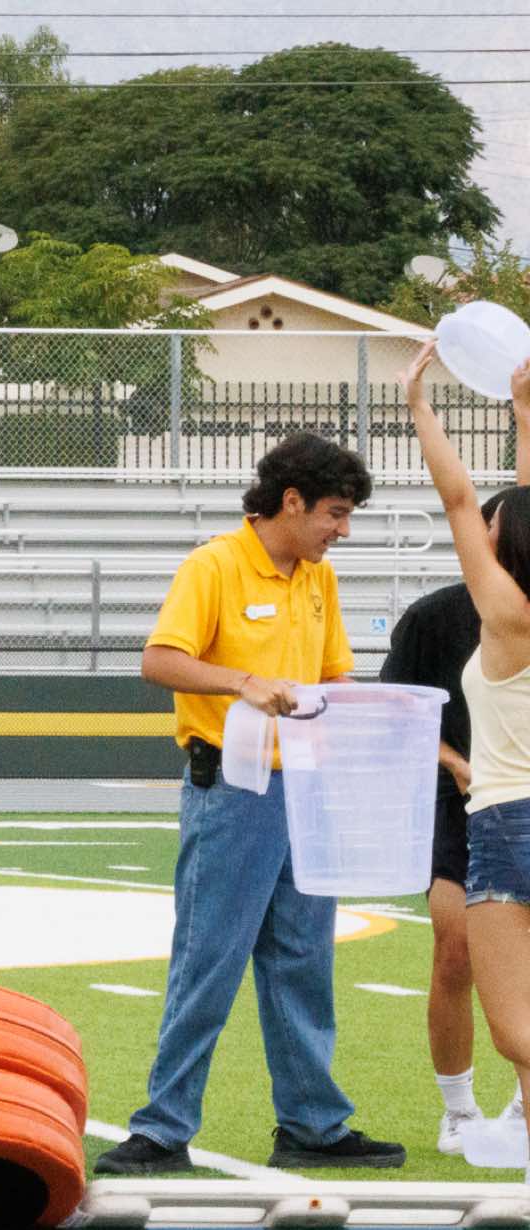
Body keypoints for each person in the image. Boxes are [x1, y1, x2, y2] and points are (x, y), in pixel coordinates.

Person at [95, 433, 406, 1175]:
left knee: (304, 960)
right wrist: (241, 682)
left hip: (308, 786)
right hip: (235, 790)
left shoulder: (318, 577)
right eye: (336, 513)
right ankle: (163, 1128)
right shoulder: (215, 565)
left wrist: (383, 715)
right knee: (209, 959)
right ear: (291, 501)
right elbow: (158, 660)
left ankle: (313, 1124)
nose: (343, 530)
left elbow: (333, 675)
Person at [402, 344, 530, 1167]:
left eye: (493, 525)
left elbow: (456, 496)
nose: (480, 525)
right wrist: (524, 417)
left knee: (516, 1028)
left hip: (509, 823)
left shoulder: (506, 617)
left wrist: (419, 404)